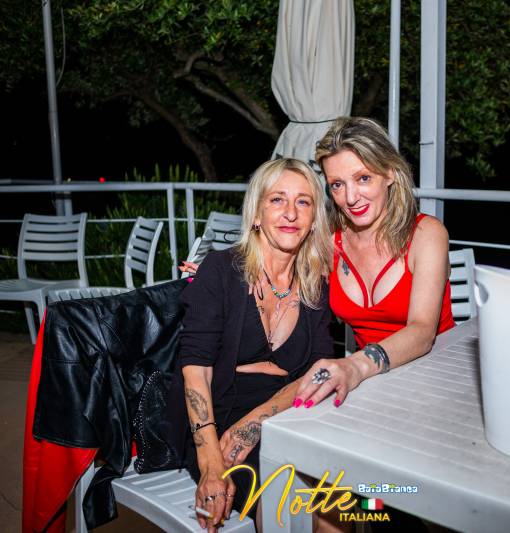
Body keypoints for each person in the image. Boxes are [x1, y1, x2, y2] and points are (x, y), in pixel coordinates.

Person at [177, 158, 336, 532]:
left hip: (289, 414)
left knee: (340, 496)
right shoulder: (220, 269)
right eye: (277, 199)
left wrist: (257, 422)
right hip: (215, 421)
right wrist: (211, 465)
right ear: (256, 214)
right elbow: (196, 371)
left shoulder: (315, 284)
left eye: (303, 202)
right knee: (289, 497)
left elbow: (320, 370)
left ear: (315, 219)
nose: (291, 213)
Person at [294, 116, 455, 408]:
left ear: (390, 172)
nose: (350, 197)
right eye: (337, 185)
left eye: (363, 178)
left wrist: (356, 365)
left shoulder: (427, 234)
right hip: (374, 385)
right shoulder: (331, 243)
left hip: (437, 378)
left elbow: (422, 331)